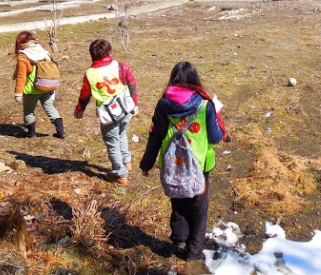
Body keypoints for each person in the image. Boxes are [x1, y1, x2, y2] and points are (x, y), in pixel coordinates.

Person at [140, 61, 231, 262]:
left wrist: (146, 164)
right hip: (200, 164)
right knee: (199, 211)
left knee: (178, 201)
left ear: (173, 79)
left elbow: (155, 136)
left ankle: (179, 239)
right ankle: (192, 252)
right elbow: (216, 138)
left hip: (172, 164)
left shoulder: (163, 104)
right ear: (195, 80)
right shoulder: (205, 104)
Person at [74, 39, 137, 185]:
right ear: (109, 52)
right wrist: (134, 104)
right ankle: (127, 162)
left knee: (112, 142)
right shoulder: (121, 66)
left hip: (108, 114)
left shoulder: (89, 74)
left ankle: (120, 174)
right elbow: (132, 85)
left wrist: (79, 110)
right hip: (126, 108)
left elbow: (85, 95)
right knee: (121, 134)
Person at [13, 31, 66, 138]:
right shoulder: (43, 51)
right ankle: (61, 132)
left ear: (20, 42)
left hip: (31, 89)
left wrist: (18, 93)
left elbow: (21, 75)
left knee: (29, 111)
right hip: (46, 85)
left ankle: (31, 133)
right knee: (50, 108)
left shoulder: (24, 55)